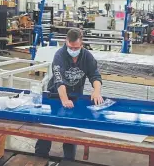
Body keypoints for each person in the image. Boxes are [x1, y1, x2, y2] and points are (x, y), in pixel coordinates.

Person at [35, 28, 103, 160]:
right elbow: (59, 81)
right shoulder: (59, 55)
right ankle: (40, 157)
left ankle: (69, 160)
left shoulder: (87, 56)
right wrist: (64, 99)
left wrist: (96, 91)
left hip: (75, 96)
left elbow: (95, 75)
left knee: (70, 131)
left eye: (76, 47)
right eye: (70, 47)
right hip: (55, 95)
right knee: (48, 128)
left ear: (81, 44)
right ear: (66, 42)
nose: (73, 50)